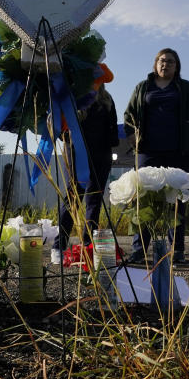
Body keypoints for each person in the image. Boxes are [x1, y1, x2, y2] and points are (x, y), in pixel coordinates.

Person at [123, 48, 189, 264]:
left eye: (170, 61)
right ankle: (140, 249)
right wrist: (132, 135)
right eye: (162, 61)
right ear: (155, 64)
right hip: (148, 152)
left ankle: (176, 249)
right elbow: (128, 115)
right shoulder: (143, 88)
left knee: (177, 201)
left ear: (176, 66)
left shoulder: (186, 89)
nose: (165, 64)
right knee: (143, 199)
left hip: (178, 153)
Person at [53, 84, 119, 256]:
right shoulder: (72, 96)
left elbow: (112, 128)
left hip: (101, 154)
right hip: (76, 153)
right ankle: (59, 245)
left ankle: (88, 246)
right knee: (72, 197)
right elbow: (61, 128)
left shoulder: (107, 98)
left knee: (94, 200)